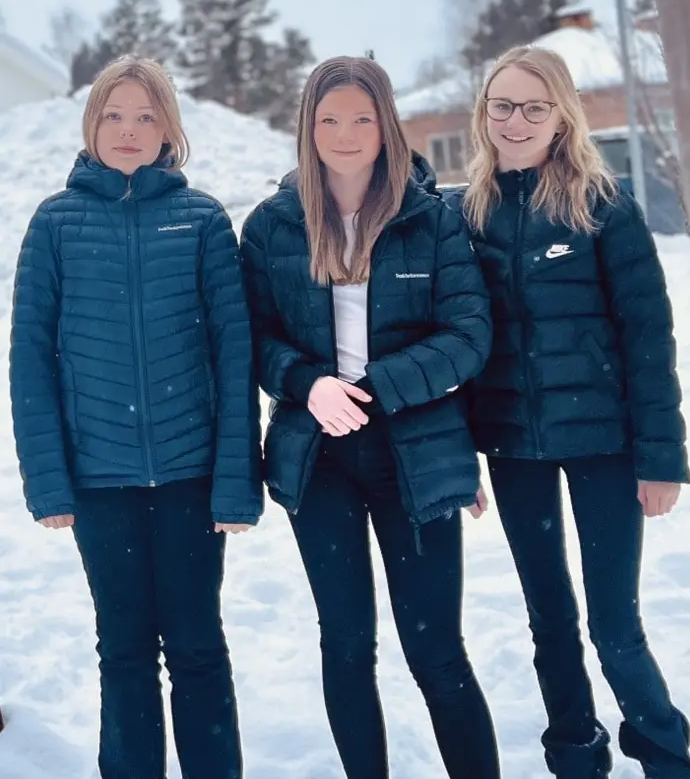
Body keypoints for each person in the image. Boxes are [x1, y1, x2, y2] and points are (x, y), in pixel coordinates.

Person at [240, 55, 500, 779]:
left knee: (435, 649)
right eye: (329, 119)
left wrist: (377, 386)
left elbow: (469, 335)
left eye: (361, 118)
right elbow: (253, 337)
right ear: (307, 128)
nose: (346, 134)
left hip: (414, 452)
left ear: (385, 124)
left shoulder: (432, 220)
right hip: (319, 459)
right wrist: (308, 383)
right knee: (347, 644)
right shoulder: (271, 228)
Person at [446, 44, 690, 779]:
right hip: (515, 449)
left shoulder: (604, 206)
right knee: (550, 621)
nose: (516, 120)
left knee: (614, 624)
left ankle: (666, 757)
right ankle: (576, 756)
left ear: (562, 115)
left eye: (534, 105)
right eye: (502, 105)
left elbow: (649, 336)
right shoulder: (469, 214)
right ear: (483, 115)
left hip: (605, 446)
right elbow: (462, 340)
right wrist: (462, 456)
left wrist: (661, 457)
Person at [10, 56, 262, 779]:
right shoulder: (55, 225)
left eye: (145, 116)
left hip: (190, 477)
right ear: (92, 125)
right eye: (114, 115)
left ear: (168, 129)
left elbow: (233, 354)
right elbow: (31, 358)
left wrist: (236, 482)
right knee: (122, 651)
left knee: (196, 647)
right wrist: (50, 483)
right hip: (99, 482)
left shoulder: (203, 221)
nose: (129, 130)